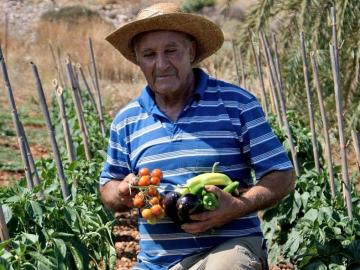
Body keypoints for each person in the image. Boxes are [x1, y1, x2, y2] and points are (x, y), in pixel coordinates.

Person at [99, 2, 295, 270]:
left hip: (230, 247)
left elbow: (281, 174)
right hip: (158, 262)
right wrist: (122, 191)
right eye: (149, 54)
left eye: (171, 51)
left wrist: (237, 206)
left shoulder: (236, 104)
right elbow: (108, 188)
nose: (161, 64)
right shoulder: (127, 121)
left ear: (191, 51)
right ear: (137, 59)